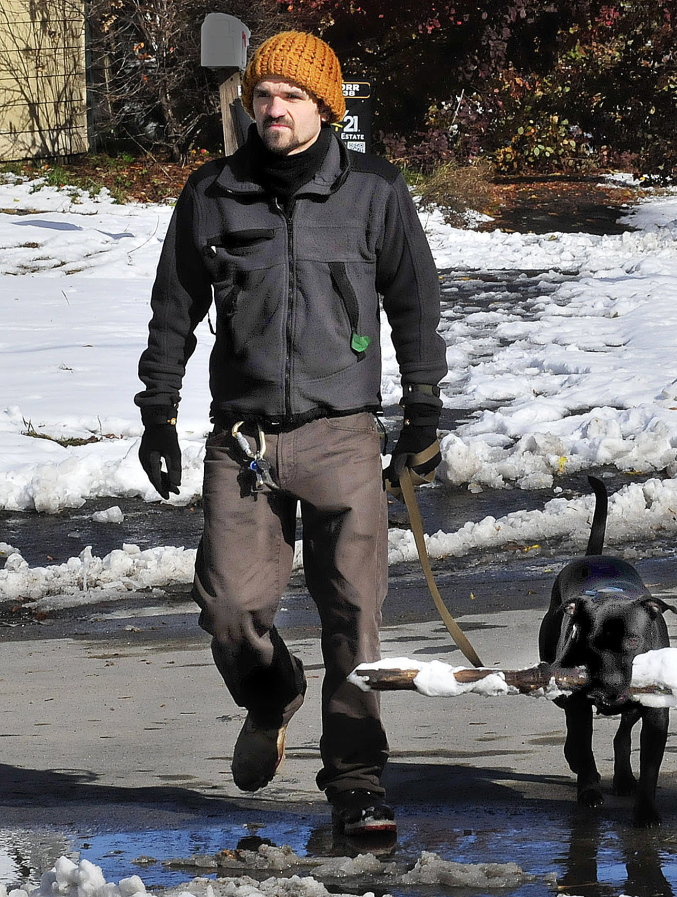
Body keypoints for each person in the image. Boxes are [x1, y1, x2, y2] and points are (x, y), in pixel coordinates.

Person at [135, 31, 446, 836]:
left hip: (342, 432)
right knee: (231, 608)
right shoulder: (212, 192)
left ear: (325, 108)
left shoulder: (374, 191)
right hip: (243, 441)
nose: (271, 108)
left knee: (354, 616)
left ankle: (355, 780)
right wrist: (158, 411)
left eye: (291, 97)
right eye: (263, 94)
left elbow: (415, 303)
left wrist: (423, 411)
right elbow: (175, 309)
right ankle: (270, 693)